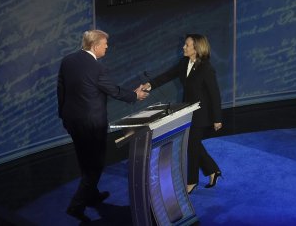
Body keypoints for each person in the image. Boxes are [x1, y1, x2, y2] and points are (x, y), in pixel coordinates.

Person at [57, 29, 148, 222]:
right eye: (105, 44)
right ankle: (76, 206)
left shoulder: (68, 61)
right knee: (95, 166)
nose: (107, 47)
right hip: (92, 125)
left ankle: (92, 195)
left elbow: (61, 89)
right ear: (95, 45)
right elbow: (113, 90)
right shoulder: (97, 68)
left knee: (84, 159)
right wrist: (135, 95)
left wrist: (63, 116)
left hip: (72, 121)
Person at [142, 34, 223, 194]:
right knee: (193, 144)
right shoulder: (184, 62)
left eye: (187, 45)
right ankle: (213, 170)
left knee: (191, 146)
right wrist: (150, 85)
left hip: (202, 114)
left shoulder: (206, 68)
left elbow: (215, 94)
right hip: (188, 111)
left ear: (196, 48)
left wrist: (217, 118)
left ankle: (192, 181)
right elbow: (167, 75)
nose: (183, 47)